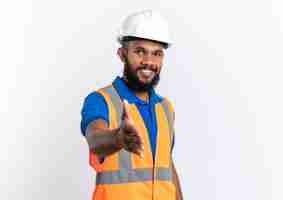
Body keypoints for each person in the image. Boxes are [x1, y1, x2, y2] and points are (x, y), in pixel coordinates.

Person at [80, 10, 183, 200]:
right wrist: (118, 138)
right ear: (122, 54)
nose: (149, 62)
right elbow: (95, 140)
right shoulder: (101, 100)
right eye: (139, 51)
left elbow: (167, 166)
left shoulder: (165, 108)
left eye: (157, 54)